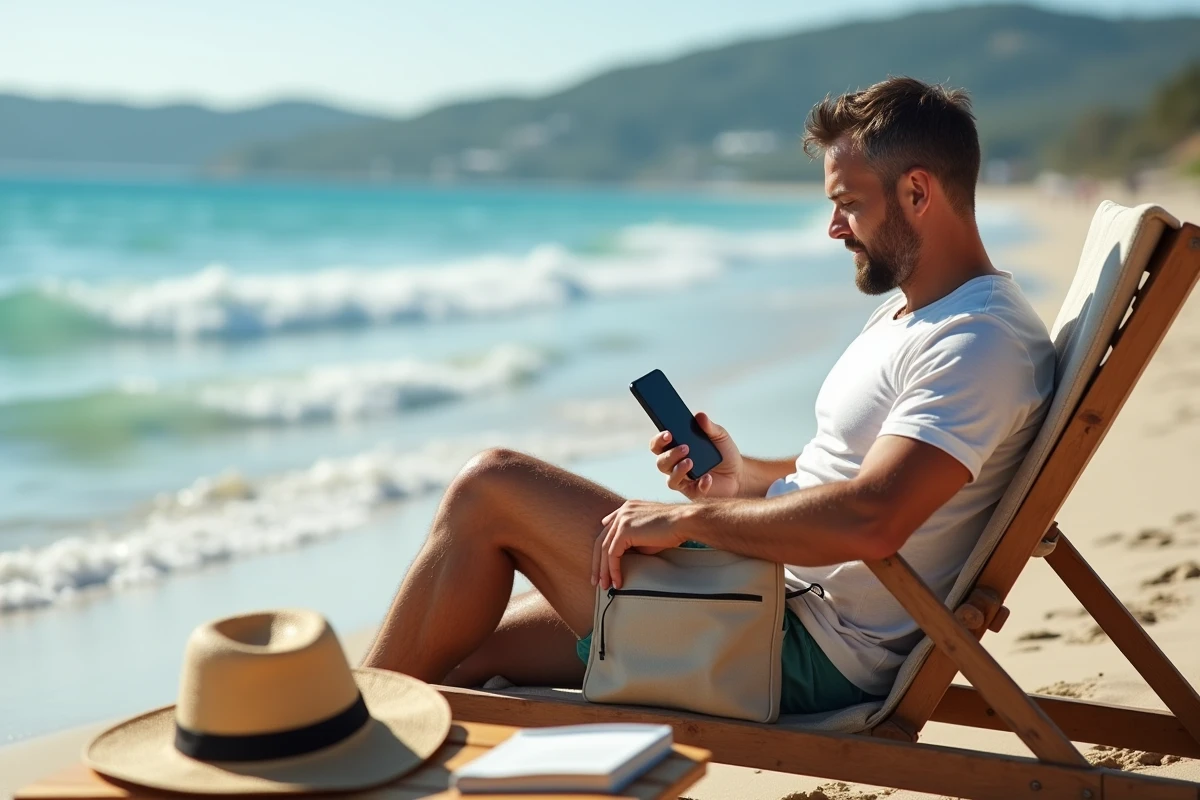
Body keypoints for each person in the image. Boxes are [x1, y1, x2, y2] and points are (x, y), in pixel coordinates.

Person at [362, 77, 1057, 713]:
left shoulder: (977, 342)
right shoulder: (915, 315)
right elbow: (844, 477)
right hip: (760, 594)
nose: (834, 228)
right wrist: (740, 475)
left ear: (917, 192)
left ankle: (331, 741)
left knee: (490, 486)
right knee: (460, 651)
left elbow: (873, 518)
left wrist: (688, 521)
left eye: (849, 205)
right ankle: (353, 742)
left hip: (799, 643)